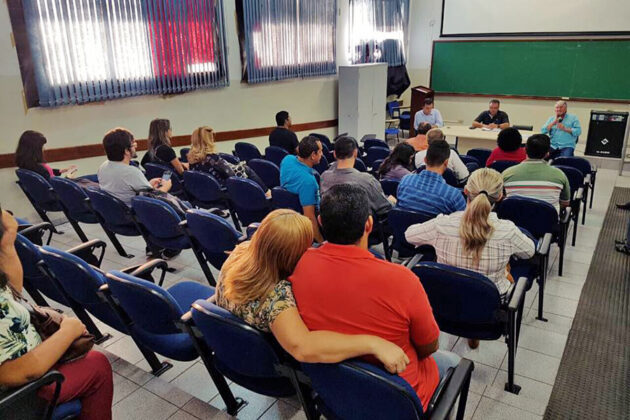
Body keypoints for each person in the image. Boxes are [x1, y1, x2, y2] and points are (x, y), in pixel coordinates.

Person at [290, 184, 460, 409]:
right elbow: (429, 347)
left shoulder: (298, 262)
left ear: (320, 221)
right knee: (454, 363)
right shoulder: (403, 279)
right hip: (401, 399)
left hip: (334, 391)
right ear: (369, 224)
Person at [215, 209, 409, 374]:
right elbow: (303, 347)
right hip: (270, 363)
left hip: (234, 348)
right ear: (291, 255)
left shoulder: (242, 251)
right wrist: (373, 343)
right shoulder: (276, 297)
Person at [0, 210, 113, 420]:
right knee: (97, 365)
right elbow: (14, 373)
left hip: (24, 372)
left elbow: (9, 295)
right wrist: (69, 331)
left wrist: (7, 243)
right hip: (19, 396)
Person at [405, 168, 535, 297]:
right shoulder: (508, 231)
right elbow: (529, 252)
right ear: (500, 196)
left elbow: (409, 235)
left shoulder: (442, 224)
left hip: (445, 296)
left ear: (465, 191)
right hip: (489, 304)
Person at [320, 137, 394, 216]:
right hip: (361, 225)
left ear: (334, 154)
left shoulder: (324, 177)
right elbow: (384, 207)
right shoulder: (367, 180)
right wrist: (392, 202)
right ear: (355, 153)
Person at [98, 128, 172, 206]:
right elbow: (153, 203)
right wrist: (165, 187)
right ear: (126, 151)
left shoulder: (103, 167)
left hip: (116, 211)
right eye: (133, 143)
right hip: (137, 214)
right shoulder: (131, 172)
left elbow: (123, 188)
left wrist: (148, 184)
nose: (136, 145)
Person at [503, 134, 571, 212]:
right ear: (547, 153)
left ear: (525, 150)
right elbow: (565, 203)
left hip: (512, 222)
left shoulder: (507, 173)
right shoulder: (560, 175)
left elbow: (499, 198)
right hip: (547, 222)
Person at [187, 126, 267, 191]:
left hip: (205, 191)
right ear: (209, 140)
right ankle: (266, 192)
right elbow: (232, 175)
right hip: (225, 190)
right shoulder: (214, 159)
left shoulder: (192, 160)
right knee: (246, 169)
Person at [399, 139, 466, 216]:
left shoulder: (405, 181)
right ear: (446, 163)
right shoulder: (454, 196)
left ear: (425, 160)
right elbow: (464, 222)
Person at [279, 136, 324, 242]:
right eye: (320, 151)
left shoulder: (287, 160)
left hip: (287, 216)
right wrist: (322, 242)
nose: (322, 154)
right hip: (306, 220)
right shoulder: (308, 181)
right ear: (313, 155)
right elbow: (310, 217)